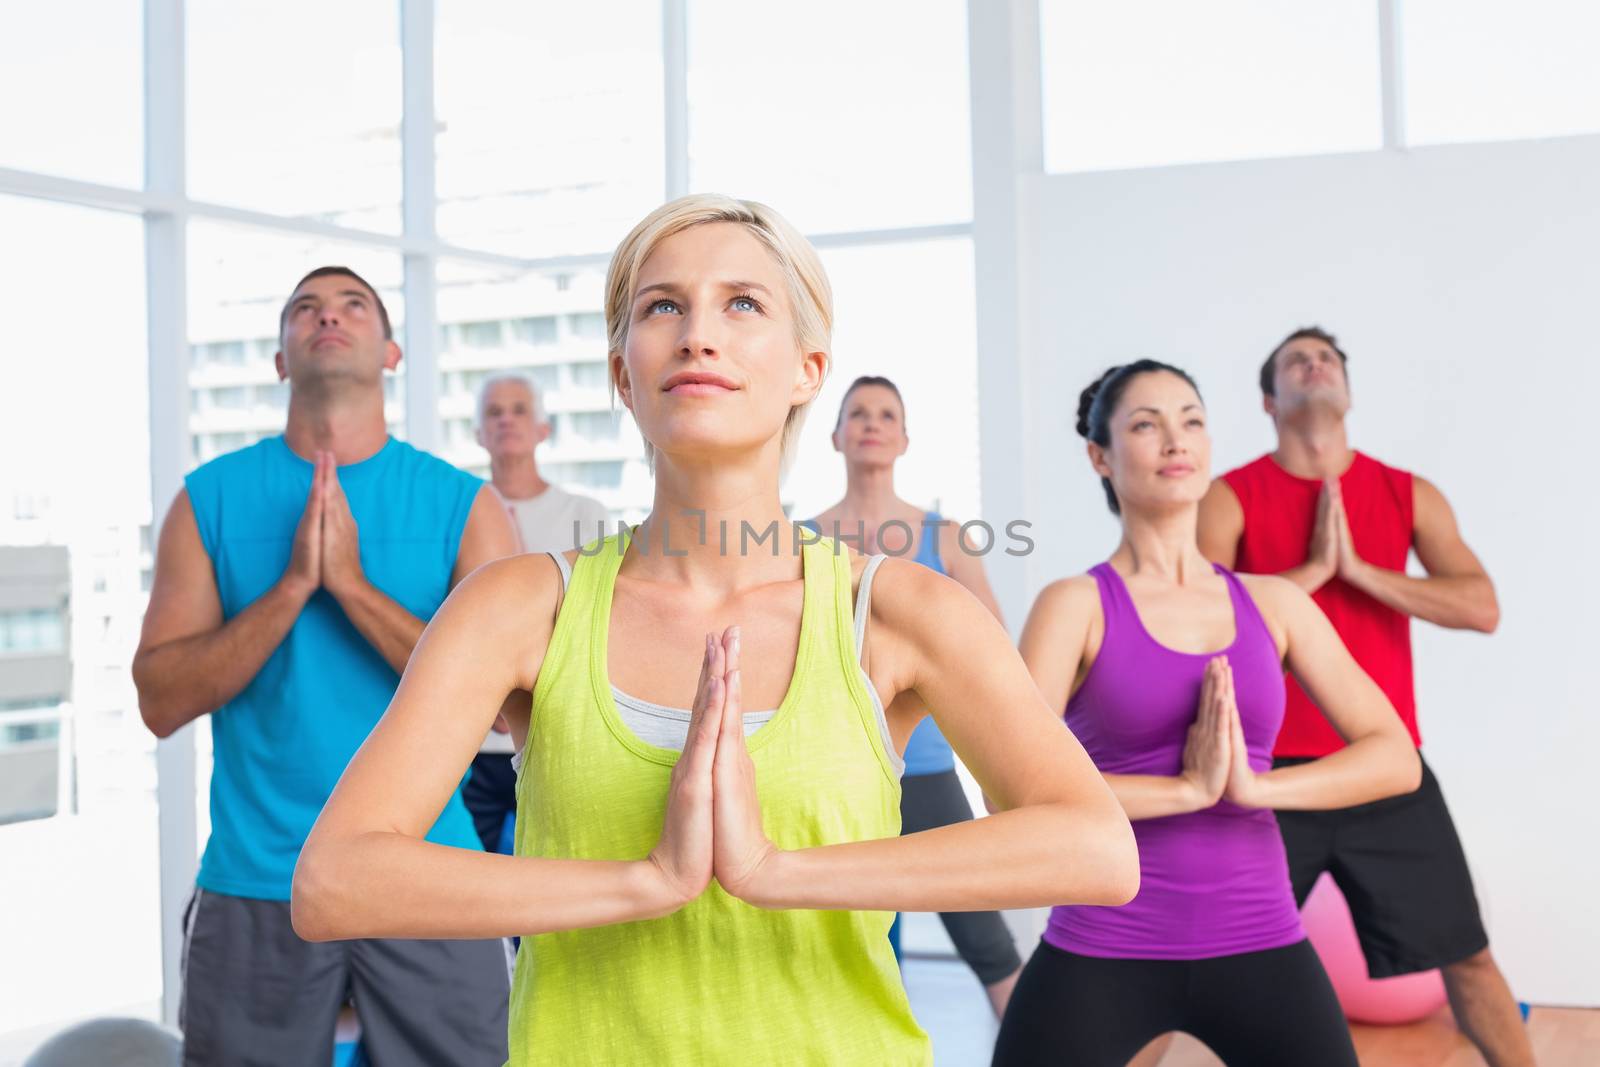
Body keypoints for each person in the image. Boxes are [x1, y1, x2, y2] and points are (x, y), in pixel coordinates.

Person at [291, 195, 1139, 1066]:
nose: (699, 334)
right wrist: (645, 880)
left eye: (743, 303)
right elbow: (335, 880)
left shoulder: (896, 610)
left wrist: (774, 871)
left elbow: (1096, 846)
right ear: (624, 373)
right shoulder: (518, 607)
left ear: (808, 368)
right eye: (663, 306)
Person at [133, 266, 520, 1067]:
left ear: (392, 351)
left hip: (430, 873)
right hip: (258, 874)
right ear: (280, 357)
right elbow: (160, 700)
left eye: (352, 305)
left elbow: (498, 708)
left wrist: (351, 588)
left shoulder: (463, 503)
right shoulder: (207, 500)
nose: (327, 317)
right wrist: (292, 589)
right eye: (304, 308)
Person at [992, 361, 1420, 1067]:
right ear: (1099, 456)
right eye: (1144, 423)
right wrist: (1183, 791)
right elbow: (1010, 790)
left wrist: (1256, 788)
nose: (1174, 439)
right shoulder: (1074, 605)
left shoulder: (1275, 603)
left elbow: (1394, 756)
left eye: (1190, 419)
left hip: (1260, 934)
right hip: (1104, 941)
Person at [1198, 327, 1532, 1067]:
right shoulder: (1230, 496)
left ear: (1347, 389)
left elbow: (1481, 605)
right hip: (1270, 774)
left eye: (1328, 359)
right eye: (1296, 360)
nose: (1315, 365)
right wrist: (1313, 572)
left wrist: (1362, 570)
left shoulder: (1407, 492)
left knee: (1467, 957)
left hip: (1386, 768)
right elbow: (1194, 627)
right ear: (1268, 398)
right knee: (1185, 955)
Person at [806, 375, 1023, 1017]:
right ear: (836, 434)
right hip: (831, 772)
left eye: (886, 415)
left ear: (903, 438)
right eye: (859, 413)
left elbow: (992, 649)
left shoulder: (947, 535)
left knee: (989, 944)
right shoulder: (799, 538)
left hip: (924, 770)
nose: (872, 424)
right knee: (844, 949)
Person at [465, 372, 610, 854]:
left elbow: (593, 620)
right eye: (494, 411)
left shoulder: (583, 514)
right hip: (473, 742)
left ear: (543, 430)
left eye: (519, 409)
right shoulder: (460, 512)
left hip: (554, 735)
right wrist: (491, 701)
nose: (506, 419)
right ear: (478, 434)